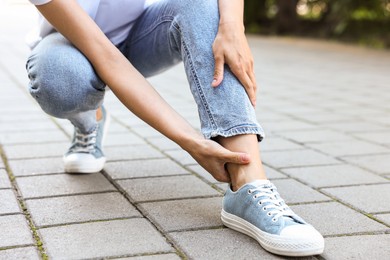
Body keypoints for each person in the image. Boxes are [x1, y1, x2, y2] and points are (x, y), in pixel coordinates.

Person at [26, 0, 324, 256]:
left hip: (140, 33)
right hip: (74, 46)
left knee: (207, 4)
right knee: (58, 78)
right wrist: (190, 140)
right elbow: (107, 57)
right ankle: (90, 121)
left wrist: (233, 27)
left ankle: (248, 183)